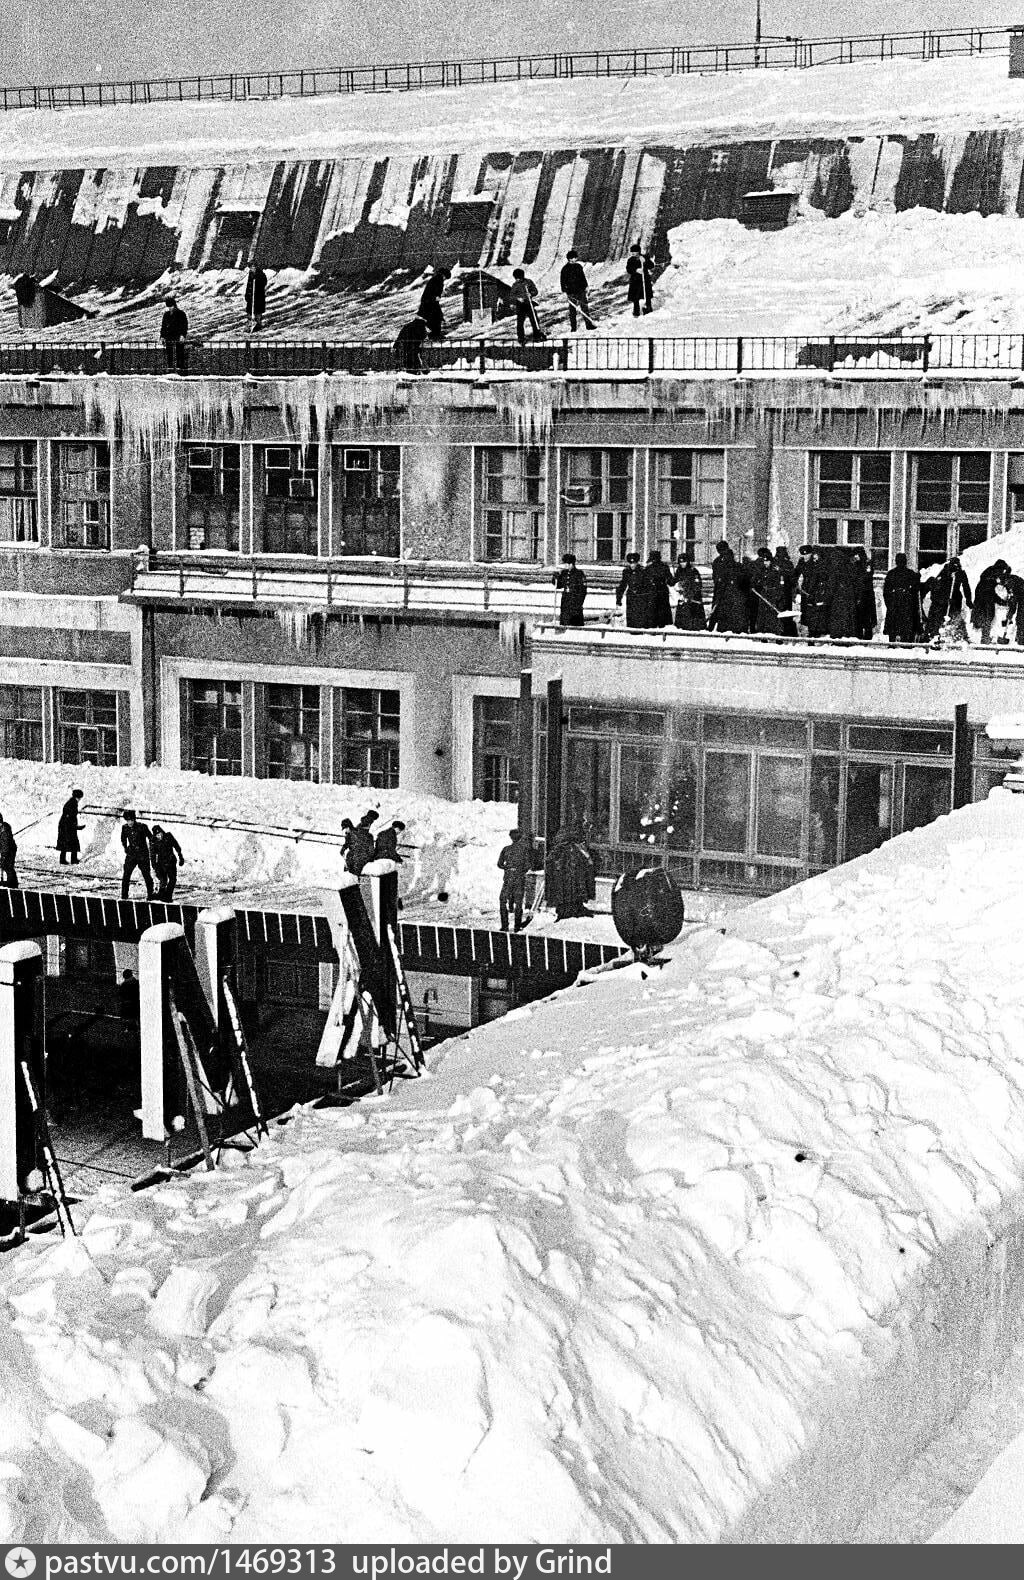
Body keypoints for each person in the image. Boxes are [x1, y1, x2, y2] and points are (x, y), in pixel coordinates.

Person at [544, 825, 595, 921]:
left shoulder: (577, 848)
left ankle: (574, 908)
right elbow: (550, 860)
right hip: (564, 875)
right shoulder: (561, 848)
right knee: (565, 892)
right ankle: (565, 909)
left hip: (572, 875)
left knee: (573, 892)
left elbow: (587, 860)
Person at [925, 554, 973, 639]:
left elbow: (966, 587)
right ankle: (936, 636)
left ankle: (958, 636)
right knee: (941, 618)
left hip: (955, 599)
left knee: (955, 617)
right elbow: (937, 585)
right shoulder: (945, 572)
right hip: (943, 599)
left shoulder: (960, 573)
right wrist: (942, 598)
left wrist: (968, 601)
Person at [882, 552, 924, 644]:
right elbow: (886, 592)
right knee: (898, 626)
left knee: (902, 626)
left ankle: (899, 643)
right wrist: (890, 604)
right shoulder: (894, 574)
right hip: (900, 605)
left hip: (903, 605)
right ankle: (896, 643)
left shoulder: (906, 574)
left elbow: (915, 590)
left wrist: (890, 604)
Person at [497, 828, 533, 932]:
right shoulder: (524, 850)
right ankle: (517, 926)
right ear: (520, 837)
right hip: (519, 879)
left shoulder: (506, 849)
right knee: (518, 902)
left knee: (503, 900)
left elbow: (499, 864)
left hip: (508, 879)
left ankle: (505, 925)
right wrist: (520, 870)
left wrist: (508, 868)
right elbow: (528, 865)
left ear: (510, 837)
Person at [708, 540, 747, 632]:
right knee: (719, 607)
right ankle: (712, 627)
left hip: (727, 589)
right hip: (721, 588)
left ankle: (718, 628)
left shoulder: (726, 560)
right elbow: (715, 575)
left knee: (724, 609)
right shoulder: (718, 561)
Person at [971, 562, 1008, 645]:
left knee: (986, 619)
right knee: (987, 618)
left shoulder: (988, 574)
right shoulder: (990, 579)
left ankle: (985, 637)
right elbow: (991, 594)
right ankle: (985, 639)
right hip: (985, 602)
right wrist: (1002, 602)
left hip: (982, 601)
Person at [120, 809, 154, 900]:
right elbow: (123, 839)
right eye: (128, 820)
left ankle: (151, 895)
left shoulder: (142, 827)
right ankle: (124, 896)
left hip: (143, 855)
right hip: (131, 855)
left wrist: (152, 849)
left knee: (146, 875)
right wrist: (126, 848)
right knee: (126, 875)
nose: (130, 822)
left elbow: (151, 838)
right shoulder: (125, 828)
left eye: (131, 820)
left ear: (134, 819)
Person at [828, 551, 861, 640]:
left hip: (839, 597)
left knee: (839, 618)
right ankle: (846, 635)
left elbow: (832, 584)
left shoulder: (836, 570)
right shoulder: (850, 568)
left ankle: (838, 635)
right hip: (847, 597)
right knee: (847, 618)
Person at [559, 251, 594, 332]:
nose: (573, 260)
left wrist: (586, 286)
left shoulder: (578, 266)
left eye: (574, 258)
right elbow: (562, 281)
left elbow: (583, 277)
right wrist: (564, 292)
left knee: (585, 308)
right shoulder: (565, 269)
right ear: (568, 259)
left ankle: (589, 325)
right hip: (571, 292)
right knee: (572, 311)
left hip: (581, 291)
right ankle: (573, 328)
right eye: (571, 258)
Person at [509, 269, 545, 344]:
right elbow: (512, 296)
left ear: (522, 276)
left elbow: (535, 291)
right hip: (520, 306)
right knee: (520, 322)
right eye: (516, 278)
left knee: (534, 320)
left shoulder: (528, 282)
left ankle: (537, 336)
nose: (518, 280)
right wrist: (518, 298)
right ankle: (521, 338)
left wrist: (531, 294)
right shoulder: (515, 285)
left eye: (519, 278)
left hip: (529, 304)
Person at [151, 824, 185, 901]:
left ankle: (168, 896)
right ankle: (161, 895)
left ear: (162, 832)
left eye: (160, 834)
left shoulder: (168, 836)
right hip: (161, 863)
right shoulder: (153, 841)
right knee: (163, 880)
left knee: (173, 879)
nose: (160, 836)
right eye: (157, 835)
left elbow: (176, 846)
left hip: (171, 861)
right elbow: (152, 855)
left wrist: (180, 856)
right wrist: (154, 866)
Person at [673, 553, 707, 631]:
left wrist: (691, 594)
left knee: (693, 613)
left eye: (684, 562)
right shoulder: (679, 570)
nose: (682, 564)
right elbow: (675, 580)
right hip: (683, 595)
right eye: (680, 562)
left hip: (693, 596)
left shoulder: (693, 571)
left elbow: (698, 585)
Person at [616, 551, 648, 629]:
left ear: (637, 562)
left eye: (634, 563)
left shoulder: (642, 571)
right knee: (631, 616)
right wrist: (619, 599)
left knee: (640, 616)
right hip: (631, 596)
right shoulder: (626, 571)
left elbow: (647, 585)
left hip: (641, 596)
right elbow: (623, 585)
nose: (632, 565)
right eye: (631, 563)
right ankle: (631, 630)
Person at [553, 553, 587, 626]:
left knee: (575, 621)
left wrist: (579, 603)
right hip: (565, 600)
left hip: (575, 600)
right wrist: (555, 578)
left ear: (571, 564)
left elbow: (583, 590)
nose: (565, 566)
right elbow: (558, 585)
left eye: (566, 564)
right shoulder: (564, 573)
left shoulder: (579, 574)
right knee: (565, 620)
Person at [417, 267, 451, 338]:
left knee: (433, 318)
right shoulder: (438, 281)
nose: (445, 279)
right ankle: (435, 335)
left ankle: (433, 334)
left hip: (428, 302)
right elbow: (433, 293)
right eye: (445, 278)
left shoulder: (435, 279)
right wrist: (436, 297)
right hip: (430, 303)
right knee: (436, 318)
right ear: (443, 275)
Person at [853, 548, 878, 641]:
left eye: (857, 554)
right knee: (859, 616)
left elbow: (866, 577)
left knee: (867, 616)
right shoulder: (856, 565)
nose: (856, 556)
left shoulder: (867, 564)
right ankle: (859, 634)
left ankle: (868, 634)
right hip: (859, 593)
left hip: (866, 594)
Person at [644, 549, 673, 628]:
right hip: (660, 592)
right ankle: (660, 627)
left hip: (654, 593)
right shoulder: (664, 567)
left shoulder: (648, 568)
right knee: (661, 614)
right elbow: (670, 582)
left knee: (654, 614)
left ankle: (654, 628)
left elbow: (644, 582)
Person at [160, 295, 188, 372]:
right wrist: (162, 336)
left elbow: (184, 326)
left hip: (178, 336)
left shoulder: (181, 314)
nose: (170, 308)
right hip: (169, 337)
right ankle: (170, 369)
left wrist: (183, 335)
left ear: (174, 305)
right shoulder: (166, 315)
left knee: (180, 353)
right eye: (168, 307)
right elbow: (163, 327)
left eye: (171, 306)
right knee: (169, 354)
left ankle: (180, 369)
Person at [57, 788, 85, 865]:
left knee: (65, 843)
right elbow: (71, 817)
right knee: (74, 842)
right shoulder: (73, 803)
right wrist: (76, 827)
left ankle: (63, 859)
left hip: (64, 825)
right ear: (78, 797)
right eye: (80, 798)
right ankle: (73, 860)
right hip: (67, 826)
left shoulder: (70, 802)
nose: (80, 800)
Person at [244, 263, 267, 332]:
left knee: (258, 311)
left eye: (253, 267)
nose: (252, 269)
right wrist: (247, 294)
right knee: (249, 311)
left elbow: (264, 282)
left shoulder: (261, 274)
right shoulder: (250, 274)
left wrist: (257, 279)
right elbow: (248, 285)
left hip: (258, 296)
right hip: (251, 296)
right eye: (251, 267)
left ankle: (258, 325)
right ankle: (250, 324)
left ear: (256, 267)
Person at [625, 243, 646, 318]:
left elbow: (651, 265)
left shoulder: (643, 258)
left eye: (635, 251)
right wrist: (636, 270)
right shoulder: (630, 260)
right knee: (635, 298)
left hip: (644, 280)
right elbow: (628, 269)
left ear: (638, 251)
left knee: (644, 296)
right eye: (632, 251)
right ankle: (636, 313)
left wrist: (645, 262)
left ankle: (646, 311)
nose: (633, 253)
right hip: (634, 281)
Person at [0, 815, 17, 889]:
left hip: (10, 850)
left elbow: (5, 846)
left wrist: (3, 857)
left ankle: (12, 883)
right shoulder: (3, 828)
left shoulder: (4, 832)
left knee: (7, 866)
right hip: (6, 849)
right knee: (6, 866)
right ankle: (11, 882)